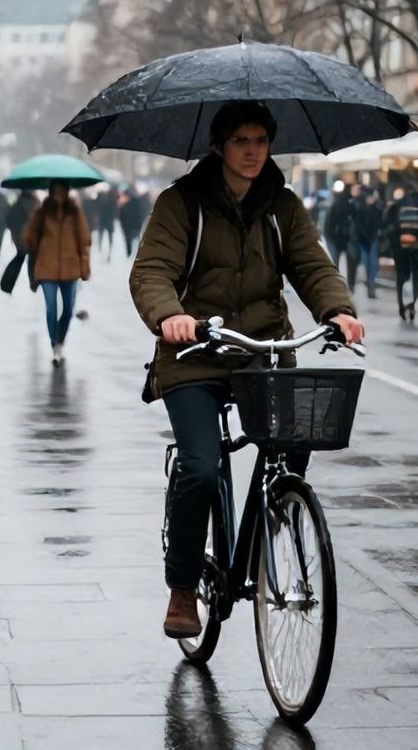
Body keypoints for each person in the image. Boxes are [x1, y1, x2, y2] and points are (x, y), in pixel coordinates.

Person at [130, 100, 363, 640]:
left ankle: (268, 523)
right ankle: (183, 586)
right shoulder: (181, 203)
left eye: (262, 140)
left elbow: (312, 264)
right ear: (219, 146)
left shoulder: (281, 206)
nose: (254, 150)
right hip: (194, 356)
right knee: (201, 467)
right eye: (242, 141)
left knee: (292, 447)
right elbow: (152, 271)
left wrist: (339, 311)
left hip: (263, 351)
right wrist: (172, 318)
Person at [22, 181, 92, 365]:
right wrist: (34, 234)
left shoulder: (75, 213)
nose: (59, 195)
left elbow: (84, 241)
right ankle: (55, 344)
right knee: (51, 308)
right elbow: (28, 237)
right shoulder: (42, 212)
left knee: (68, 310)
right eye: (56, 191)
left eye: (62, 191)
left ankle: (60, 341)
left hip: (70, 267)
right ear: (51, 192)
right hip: (47, 267)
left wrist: (84, 268)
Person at [388, 185, 418, 322]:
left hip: (399, 247)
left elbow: (389, 226)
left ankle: (401, 306)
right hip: (417, 247)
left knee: (401, 274)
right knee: (415, 273)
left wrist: (393, 245)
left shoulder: (397, 205)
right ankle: (412, 303)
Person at [346, 187, 384, 298]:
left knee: (371, 264)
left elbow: (379, 220)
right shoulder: (358, 206)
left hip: (370, 239)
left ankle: (369, 287)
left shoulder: (375, 207)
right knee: (363, 263)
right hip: (361, 240)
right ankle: (358, 285)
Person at [118, 185, 153, 258]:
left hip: (131, 225)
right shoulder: (133, 202)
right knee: (135, 240)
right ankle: (133, 254)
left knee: (132, 240)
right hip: (132, 225)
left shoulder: (129, 203)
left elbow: (124, 215)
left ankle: (131, 254)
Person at [323, 183, 354, 262]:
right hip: (335, 235)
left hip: (337, 235)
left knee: (335, 259)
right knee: (335, 259)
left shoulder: (335, 202)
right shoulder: (332, 202)